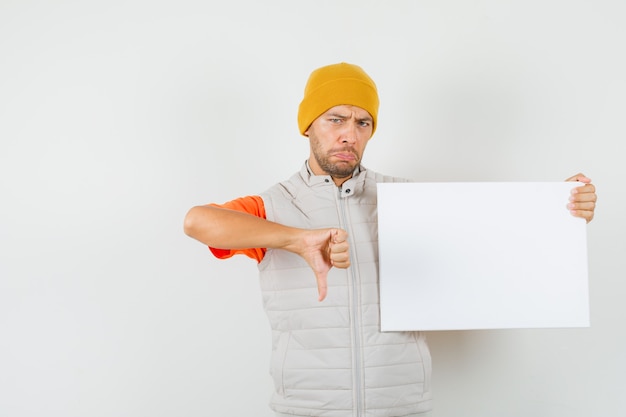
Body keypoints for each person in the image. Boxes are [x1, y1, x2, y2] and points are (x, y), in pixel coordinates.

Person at [183, 62, 597, 417]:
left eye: (363, 123)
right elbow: (198, 221)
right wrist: (297, 240)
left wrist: (555, 210)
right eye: (336, 119)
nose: (350, 134)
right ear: (308, 124)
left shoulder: (406, 201)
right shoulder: (273, 205)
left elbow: (494, 243)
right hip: (308, 407)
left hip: (400, 404)